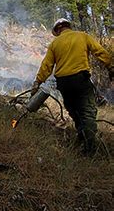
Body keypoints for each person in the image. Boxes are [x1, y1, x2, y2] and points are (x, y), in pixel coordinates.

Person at [32, 18, 113, 155]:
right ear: (68, 26)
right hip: (80, 80)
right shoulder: (82, 36)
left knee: (75, 112)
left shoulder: (55, 44)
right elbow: (100, 52)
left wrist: (37, 82)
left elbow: (47, 66)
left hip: (63, 84)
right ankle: (91, 151)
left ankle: (82, 139)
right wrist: (111, 67)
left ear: (57, 30)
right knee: (87, 114)